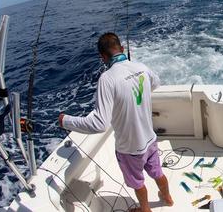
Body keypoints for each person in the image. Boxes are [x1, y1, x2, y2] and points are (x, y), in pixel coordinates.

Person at [59, 32, 173, 211]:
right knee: (157, 172)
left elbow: (99, 124)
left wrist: (66, 120)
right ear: (122, 49)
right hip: (150, 139)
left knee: (137, 182)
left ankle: (145, 209)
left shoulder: (107, 78)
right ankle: (167, 198)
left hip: (130, 149)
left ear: (103, 57)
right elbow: (155, 83)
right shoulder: (141, 66)